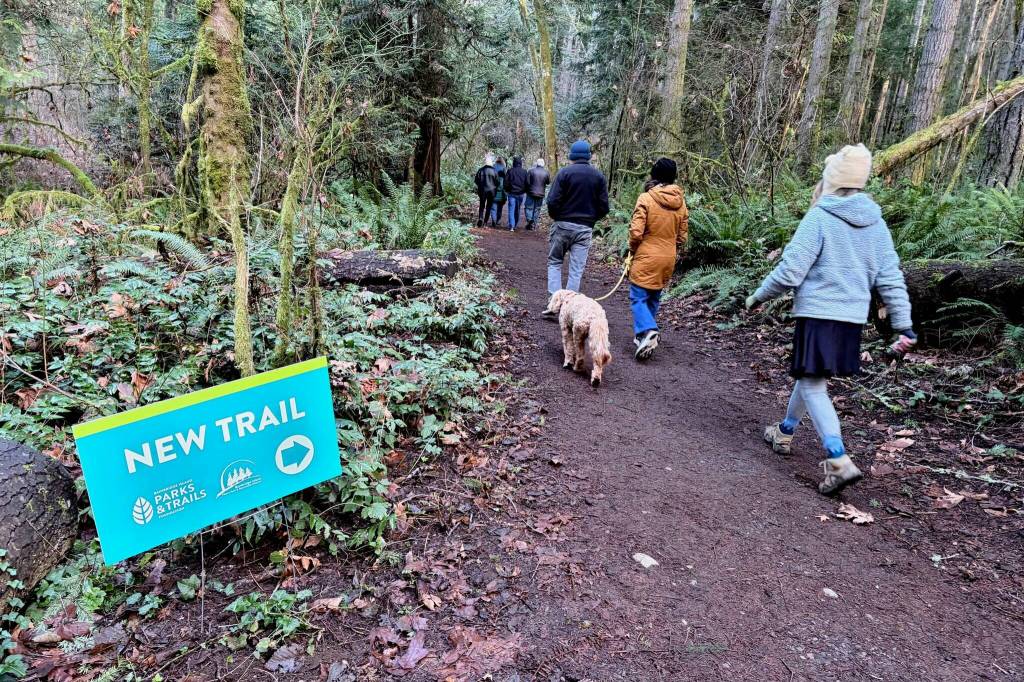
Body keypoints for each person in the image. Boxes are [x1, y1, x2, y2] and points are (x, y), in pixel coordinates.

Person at [746, 144, 917, 496]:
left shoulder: (820, 217)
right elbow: (890, 277)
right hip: (851, 319)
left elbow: (791, 271)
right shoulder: (877, 224)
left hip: (819, 313)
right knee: (811, 375)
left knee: (812, 381)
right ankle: (785, 430)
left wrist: (758, 295)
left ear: (831, 180)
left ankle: (838, 461)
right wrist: (904, 324)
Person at [628, 158, 689, 361]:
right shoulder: (681, 204)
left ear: (654, 175)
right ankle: (643, 337)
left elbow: (636, 233)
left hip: (646, 254)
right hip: (668, 257)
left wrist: (633, 250)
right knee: (653, 297)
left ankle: (648, 329)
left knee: (638, 296)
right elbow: (682, 237)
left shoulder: (646, 198)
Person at [544, 140, 609, 297]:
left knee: (555, 263)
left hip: (562, 225)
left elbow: (552, 200)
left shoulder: (564, 173)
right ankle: (570, 306)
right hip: (585, 228)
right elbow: (604, 207)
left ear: (571, 155)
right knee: (576, 269)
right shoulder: (598, 177)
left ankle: (554, 301)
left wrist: (557, 217)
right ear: (588, 156)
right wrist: (591, 220)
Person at [504, 156, 529, 232]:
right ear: (520, 163)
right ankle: (515, 224)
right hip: (521, 194)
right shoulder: (524, 172)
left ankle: (512, 225)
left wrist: (507, 190)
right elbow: (527, 183)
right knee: (517, 209)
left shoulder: (510, 171)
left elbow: (506, 182)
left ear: (514, 163)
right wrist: (525, 190)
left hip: (511, 193)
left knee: (511, 209)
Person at [473, 153, 498, 228]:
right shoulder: (494, 171)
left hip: (482, 190)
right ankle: (486, 222)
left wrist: (480, 186)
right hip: (492, 191)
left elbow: (476, 180)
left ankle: (480, 218)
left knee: (482, 205)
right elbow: (497, 182)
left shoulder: (481, 170)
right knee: (489, 206)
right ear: (491, 163)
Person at [525, 158, 550, 230]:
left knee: (528, 207)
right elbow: (548, 182)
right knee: (537, 209)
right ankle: (534, 224)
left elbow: (527, 182)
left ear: (537, 163)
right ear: (543, 164)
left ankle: (529, 220)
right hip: (541, 194)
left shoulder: (531, 171)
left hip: (531, 193)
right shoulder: (546, 172)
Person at [490, 156, 507, 227]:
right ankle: (498, 220)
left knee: (493, 206)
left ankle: (493, 219)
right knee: (500, 206)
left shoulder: (493, 167)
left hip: (493, 189)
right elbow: (506, 179)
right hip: (502, 190)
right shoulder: (504, 168)